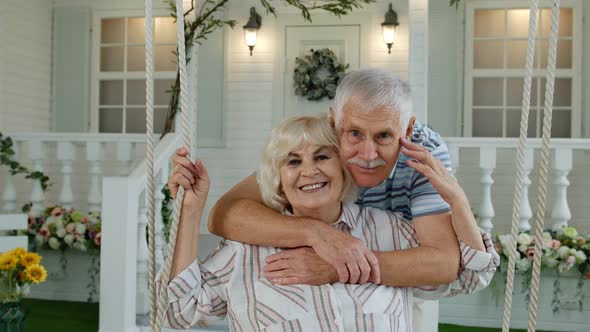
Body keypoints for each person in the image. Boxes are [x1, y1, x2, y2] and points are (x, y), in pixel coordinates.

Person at [160, 115, 498, 331]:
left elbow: (472, 273)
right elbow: (179, 312)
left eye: (322, 156)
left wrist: (458, 200)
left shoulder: (389, 231)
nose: (309, 171)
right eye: (293, 162)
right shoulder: (245, 251)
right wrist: (191, 212)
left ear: (343, 168)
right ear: (277, 180)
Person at [204, 69, 478, 329]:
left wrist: (338, 267)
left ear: (407, 131)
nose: (368, 154)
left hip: (400, 262)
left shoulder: (424, 152)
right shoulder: (320, 142)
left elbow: (443, 262)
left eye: (384, 135)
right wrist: (317, 234)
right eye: (355, 134)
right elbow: (222, 216)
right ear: (334, 123)